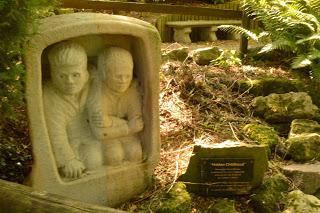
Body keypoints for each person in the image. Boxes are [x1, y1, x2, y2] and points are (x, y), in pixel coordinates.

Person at [43, 41, 103, 179]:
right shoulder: (49, 95)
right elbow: (55, 132)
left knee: (96, 159)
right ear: (52, 74)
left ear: (85, 72)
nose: (69, 81)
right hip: (69, 143)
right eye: (62, 76)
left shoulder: (94, 81)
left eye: (75, 75)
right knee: (81, 166)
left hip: (93, 137)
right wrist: (68, 159)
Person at [87, 46, 143, 166]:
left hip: (125, 136)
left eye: (127, 76)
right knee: (114, 156)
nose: (123, 81)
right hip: (107, 140)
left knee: (135, 153)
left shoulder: (132, 91)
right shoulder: (97, 92)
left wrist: (111, 121)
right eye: (118, 76)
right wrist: (127, 127)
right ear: (104, 74)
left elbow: (138, 124)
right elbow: (99, 133)